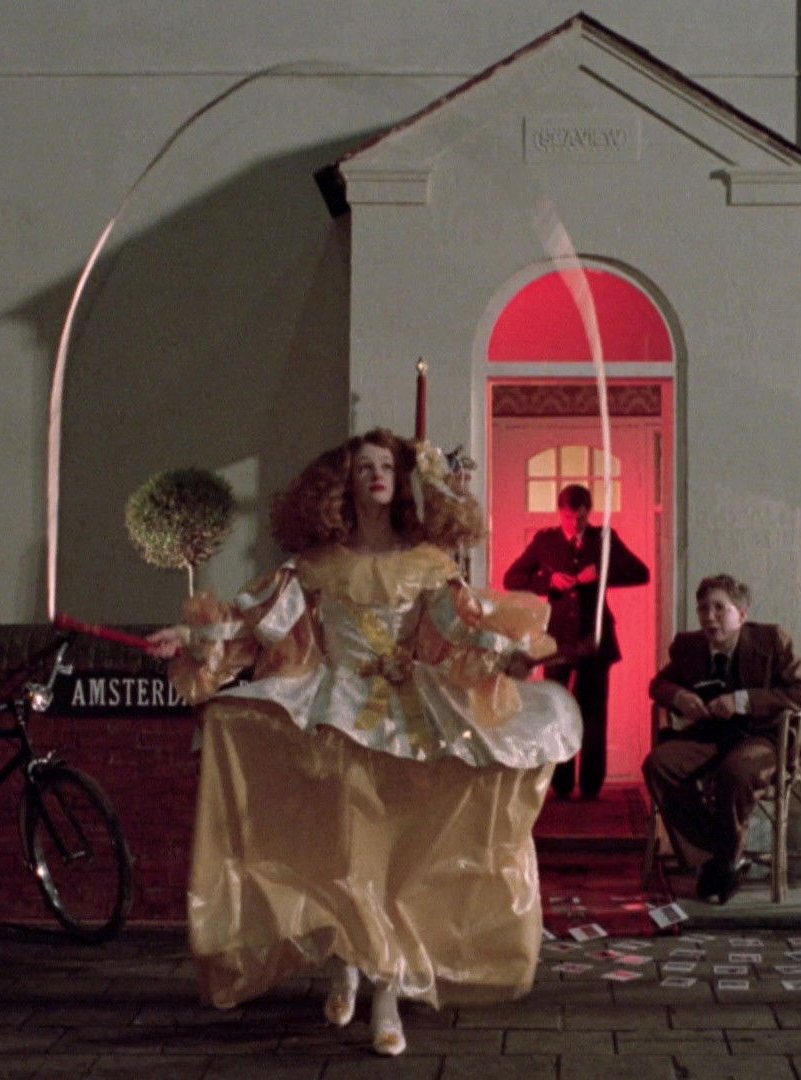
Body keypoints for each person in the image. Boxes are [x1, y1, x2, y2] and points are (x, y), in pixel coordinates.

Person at [147, 429, 581, 1057]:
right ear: (342, 485)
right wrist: (190, 638)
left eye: (386, 466)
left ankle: (385, 993)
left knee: (393, 859)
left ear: (403, 482)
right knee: (347, 854)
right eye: (363, 468)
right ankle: (348, 962)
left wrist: (504, 652)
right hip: (336, 715)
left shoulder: (429, 564)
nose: (376, 475)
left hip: (410, 720)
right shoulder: (316, 566)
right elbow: (252, 622)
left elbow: (463, 633)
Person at [642, 573, 801, 905]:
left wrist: (743, 700)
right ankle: (718, 857)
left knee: (735, 773)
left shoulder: (771, 641)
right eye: (703, 609)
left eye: (719, 608)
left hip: (762, 737)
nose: (710, 617)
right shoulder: (689, 646)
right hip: (710, 736)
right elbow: (658, 685)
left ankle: (722, 863)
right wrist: (679, 697)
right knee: (658, 765)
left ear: (742, 614)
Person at [502, 483, 649, 800]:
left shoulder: (603, 538)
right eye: (569, 518)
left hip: (595, 637)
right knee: (555, 709)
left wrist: (602, 574)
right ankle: (561, 784)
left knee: (594, 712)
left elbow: (641, 573)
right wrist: (548, 581)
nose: (575, 525)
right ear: (560, 513)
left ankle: (592, 786)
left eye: (581, 518)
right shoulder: (545, 541)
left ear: (588, 513)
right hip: (556, 641)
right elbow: (511, 579)